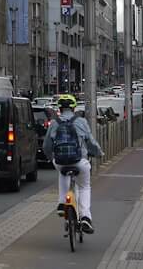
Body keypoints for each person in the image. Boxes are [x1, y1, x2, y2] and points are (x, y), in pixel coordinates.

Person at [42, 94, 103, 234]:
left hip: (61, 161)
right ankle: (86, 217)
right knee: (84, 187)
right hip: (79, 161)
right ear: (74, 107)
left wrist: (50, 156)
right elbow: (91, 142)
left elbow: (46, 145)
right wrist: (99, 153)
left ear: (60, 108)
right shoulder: (81, 121)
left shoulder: (54, 123)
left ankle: (62, 203)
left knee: (62, 170)